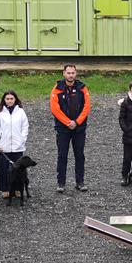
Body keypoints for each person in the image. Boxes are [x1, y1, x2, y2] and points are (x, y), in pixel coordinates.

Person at [50, 64, 90, 193]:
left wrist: (77, 122)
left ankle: (80, 182)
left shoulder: (82, 88)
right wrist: (68, 122)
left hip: (79, 129)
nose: (70, 75)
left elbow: (87, 107)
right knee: (62, 156)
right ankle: (61, 183)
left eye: (73, 73)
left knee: (79, 155)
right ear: (63, 73)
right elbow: (55, 109)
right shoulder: (57, 89)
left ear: (76, 74)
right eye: (68, 73)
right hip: (63, 130)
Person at [0, 90, 29, 199]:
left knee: (19, 170)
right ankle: (5, 189)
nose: (9, 101)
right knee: (3, 169)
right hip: (3, 147)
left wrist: (22, 140)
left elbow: (25, 127)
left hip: (18, 147)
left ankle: (18, 189)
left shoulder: (21, 112)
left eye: (11, 99)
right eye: (7, 99)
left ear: (15, 99)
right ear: (4, 100)